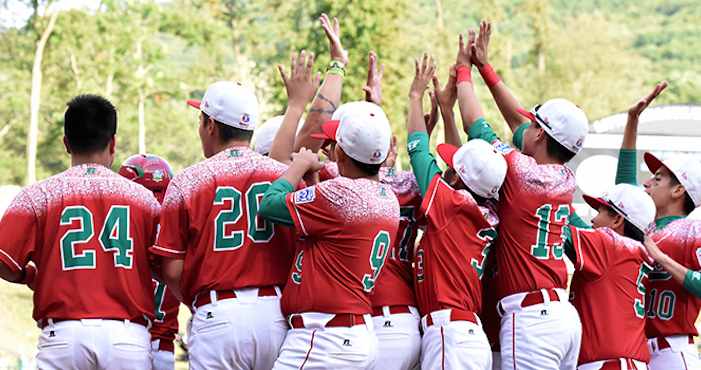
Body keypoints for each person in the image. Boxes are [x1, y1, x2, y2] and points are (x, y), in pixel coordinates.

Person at [459, 23, 588, 370]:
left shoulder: (519, 171)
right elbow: (519, 121)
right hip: (562, 316)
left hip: (531, 318)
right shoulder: (564, 176)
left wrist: (464, 69)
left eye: (534, 125)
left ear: (541, 136)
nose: (524, 128)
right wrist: (486, 68)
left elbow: (474, 120)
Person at [0, 95, 160, 370]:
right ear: (113, 143)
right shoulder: (144, 200)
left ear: (65, 143)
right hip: (127, 338)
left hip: (63, 337)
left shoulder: (37, 196)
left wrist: (30, 275)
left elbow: (4, 260)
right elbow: (167, 265)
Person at [151, 80, 300, 370]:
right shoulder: (283, 176)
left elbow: (171, 269)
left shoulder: (187, 181)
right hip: (277, 314)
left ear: (210, 125)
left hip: (217, 313)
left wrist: (200, 302)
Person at [258, 97, 399, 369]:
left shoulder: (341, 193)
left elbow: (269, 205)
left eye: (334, 145)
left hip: (324, 337)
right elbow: (328, 230)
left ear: (342, 155)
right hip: (356, 332)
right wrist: (313, 180)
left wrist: (298, 165)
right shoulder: (387, 197)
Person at [407, 54, 507, 370]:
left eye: (452, 170)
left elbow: (418, 151)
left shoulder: (452, 205)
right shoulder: (483, 208)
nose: (447, 171)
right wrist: (448, 115)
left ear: (458, 179)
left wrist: (414, 96)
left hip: (450, 334)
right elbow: (462, 172)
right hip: (461, 332)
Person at [614, 82, 701, 370]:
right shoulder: (646, 227)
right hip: (639, 351)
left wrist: (663, 259)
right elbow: (623, 191)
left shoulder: (691, 230)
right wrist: (632, 121)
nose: (648, 182)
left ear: (678, 191)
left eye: (659, 178)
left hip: (673, 352)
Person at [565, 183, 656, 370]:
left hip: (610, 363)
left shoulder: (612, 246)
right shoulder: (629, 251)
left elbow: (551, 225)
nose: (593, 220)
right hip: (622, 361)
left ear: (616, 220)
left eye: (599, 212)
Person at [119, 153, 179, 370]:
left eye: (158, 190)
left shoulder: (117, 233)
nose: (155, 197)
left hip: (127, 337)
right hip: (157, 342)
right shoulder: (176, 230)